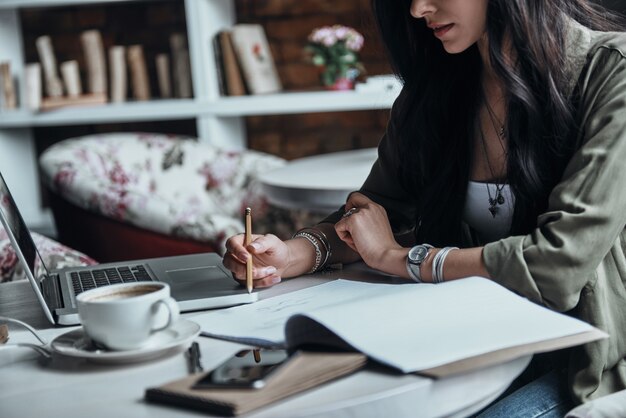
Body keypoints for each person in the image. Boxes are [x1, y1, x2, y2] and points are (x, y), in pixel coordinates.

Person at [223, 0, 626, 416]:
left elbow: (557, 265)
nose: (417, 9)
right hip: (466, 340)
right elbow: (374, 213)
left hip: (582, 356)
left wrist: (398, 258)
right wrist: (291, 255)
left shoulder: (612, 71)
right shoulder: (436, 89)